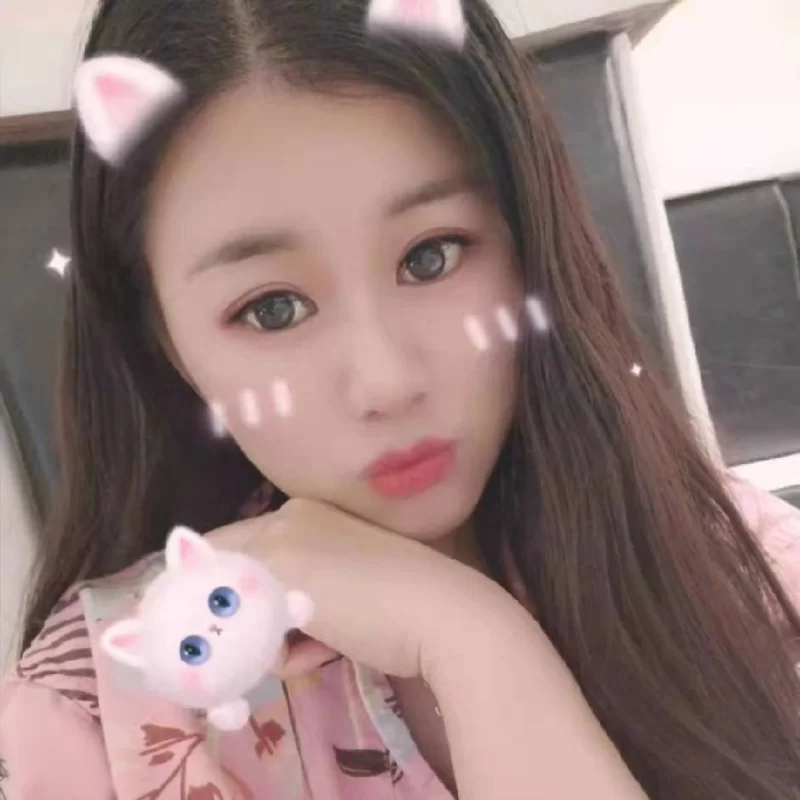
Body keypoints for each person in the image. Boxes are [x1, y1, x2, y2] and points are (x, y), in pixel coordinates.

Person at [2, 0, 800, 797]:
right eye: (272, 309)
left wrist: (477, 648)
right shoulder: (93, 715)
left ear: (528, 238)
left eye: (431, 257)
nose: (386, 380)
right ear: (168, 343)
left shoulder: (739, 565)